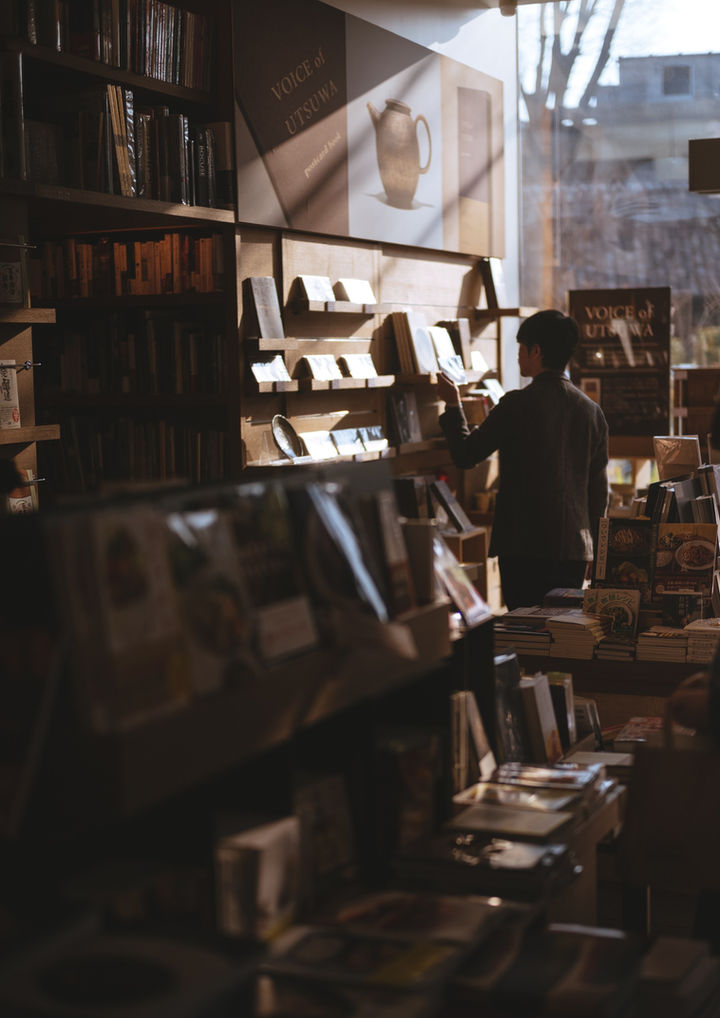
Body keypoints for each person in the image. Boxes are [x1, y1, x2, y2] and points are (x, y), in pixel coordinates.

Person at [437, 309, 609, 610]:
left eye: (521, 348)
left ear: (536, 350)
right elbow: (598, 493)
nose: (518, 357)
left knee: (523, 633)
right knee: (561, 636)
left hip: (522, 547)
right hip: (574, 550)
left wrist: (453, 404)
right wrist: (597, 551)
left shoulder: (515, 405)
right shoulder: (592, 412)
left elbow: (465, 455)